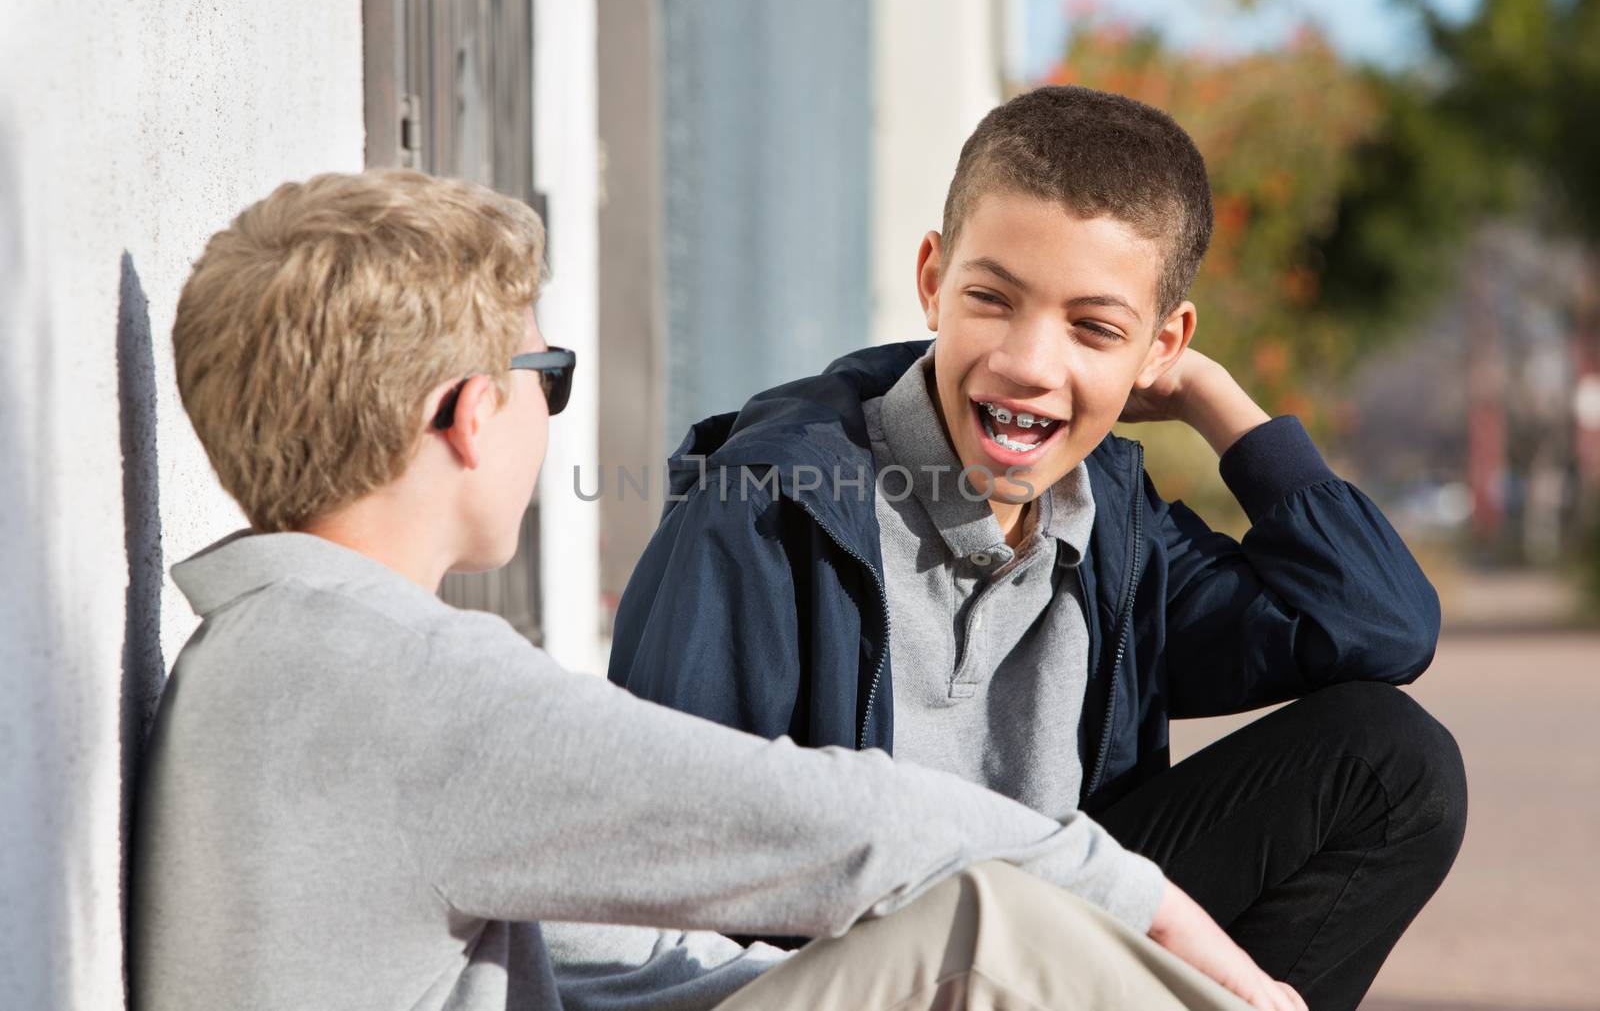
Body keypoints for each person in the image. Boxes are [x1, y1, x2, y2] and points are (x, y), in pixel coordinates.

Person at [129, 168, 1283, 1011]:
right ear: (471, 416)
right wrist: (1157, 913)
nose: (549, 404)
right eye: (548, 371)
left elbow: (598, 950)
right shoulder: (409, 683)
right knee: (985, 927)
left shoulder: (281, 650)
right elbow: (851, 825)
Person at [607, 86, 1468, 1011]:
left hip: (1060, 946)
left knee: (1392, 763)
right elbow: (651, 871)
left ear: (1159, 344)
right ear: (933, 281)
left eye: (1095, 327)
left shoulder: (1113, 526)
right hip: (854, 981)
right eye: (992, 298)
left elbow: (1379, 623)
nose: (1028, 362)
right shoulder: (770, 511)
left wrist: (1213, 401)